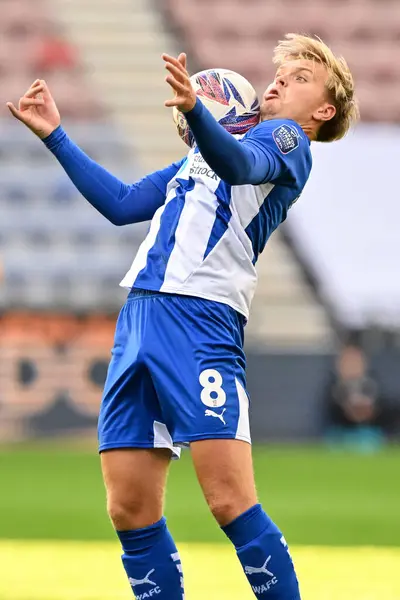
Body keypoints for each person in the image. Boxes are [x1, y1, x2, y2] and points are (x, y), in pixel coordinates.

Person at [7, 34, 358, 600]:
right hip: (140, 316)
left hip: (201, 322)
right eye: (279, 71)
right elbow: (122, 204)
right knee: (128, 508)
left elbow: (243, 164)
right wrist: (56, 134)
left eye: (298, 78)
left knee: (228, 501)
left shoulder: (289, 140)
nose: (279, 80)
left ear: (323, 110)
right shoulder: (202, 156)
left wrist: (197, 110)